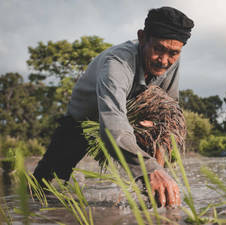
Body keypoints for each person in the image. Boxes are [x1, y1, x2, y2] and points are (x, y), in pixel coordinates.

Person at [33, 6, 194, 207]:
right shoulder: (117, 64)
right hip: (83, 121)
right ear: (142, 38)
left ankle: (154, 200)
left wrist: (159, 161)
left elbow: (169, 110)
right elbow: (113, 125)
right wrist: (149, 169)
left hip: (132, 120)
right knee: (46, 183)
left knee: (157, 135)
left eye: (173, 53)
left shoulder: (171, 62)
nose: (164, 60)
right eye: (158, 49)